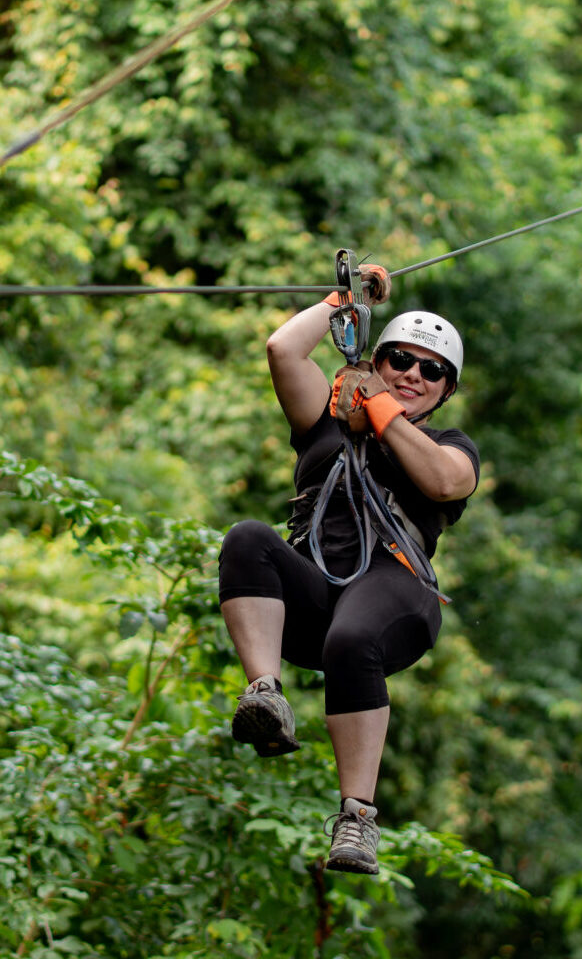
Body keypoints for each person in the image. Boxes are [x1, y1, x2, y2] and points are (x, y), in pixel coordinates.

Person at [217, 264, 479, 875]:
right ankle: (264, 695)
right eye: (399, 361)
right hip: (315, 594)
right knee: (248, 539)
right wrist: (345, 301)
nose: (413, 374)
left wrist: (378, 406)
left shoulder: (450, 445)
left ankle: (357, 819)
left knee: (355, 636)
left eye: (430, 370)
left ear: (445, 390)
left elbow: (446, 481)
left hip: (394, 594)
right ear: (378, 359)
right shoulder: (322, 425)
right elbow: (283, 348)